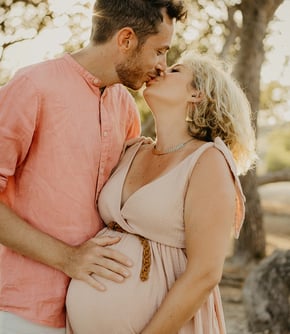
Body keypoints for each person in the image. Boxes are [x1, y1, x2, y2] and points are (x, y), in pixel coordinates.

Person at [0, 1, 187, 333]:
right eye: (160, 51)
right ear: (126, 39)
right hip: (23, 312)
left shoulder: (125, 107)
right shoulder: (33, 86)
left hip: (89, 315)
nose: (162, 66)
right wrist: (68, 258)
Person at [66, 51, 257, 333]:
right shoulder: (132, 150)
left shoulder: (208, 161)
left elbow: (205, 274)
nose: (161, 70)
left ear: (198, 95)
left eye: (176, 70)